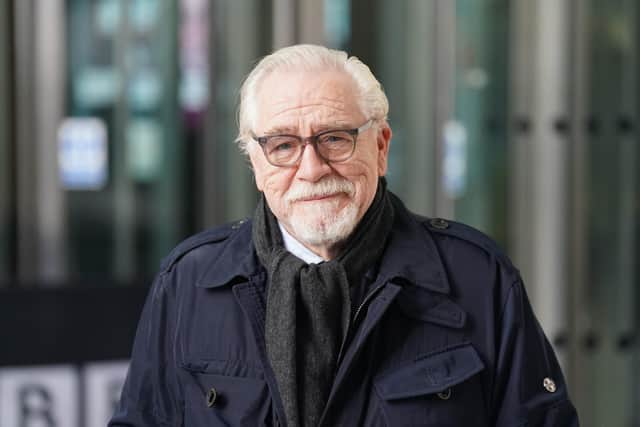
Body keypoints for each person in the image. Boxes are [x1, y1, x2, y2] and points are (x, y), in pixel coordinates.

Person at [109, 44, 579, 426]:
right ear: (255, 162)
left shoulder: (477, 277)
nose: (311, 169)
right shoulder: (188, 282)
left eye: (335, 138)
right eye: (283, 145)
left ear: (380, 146)